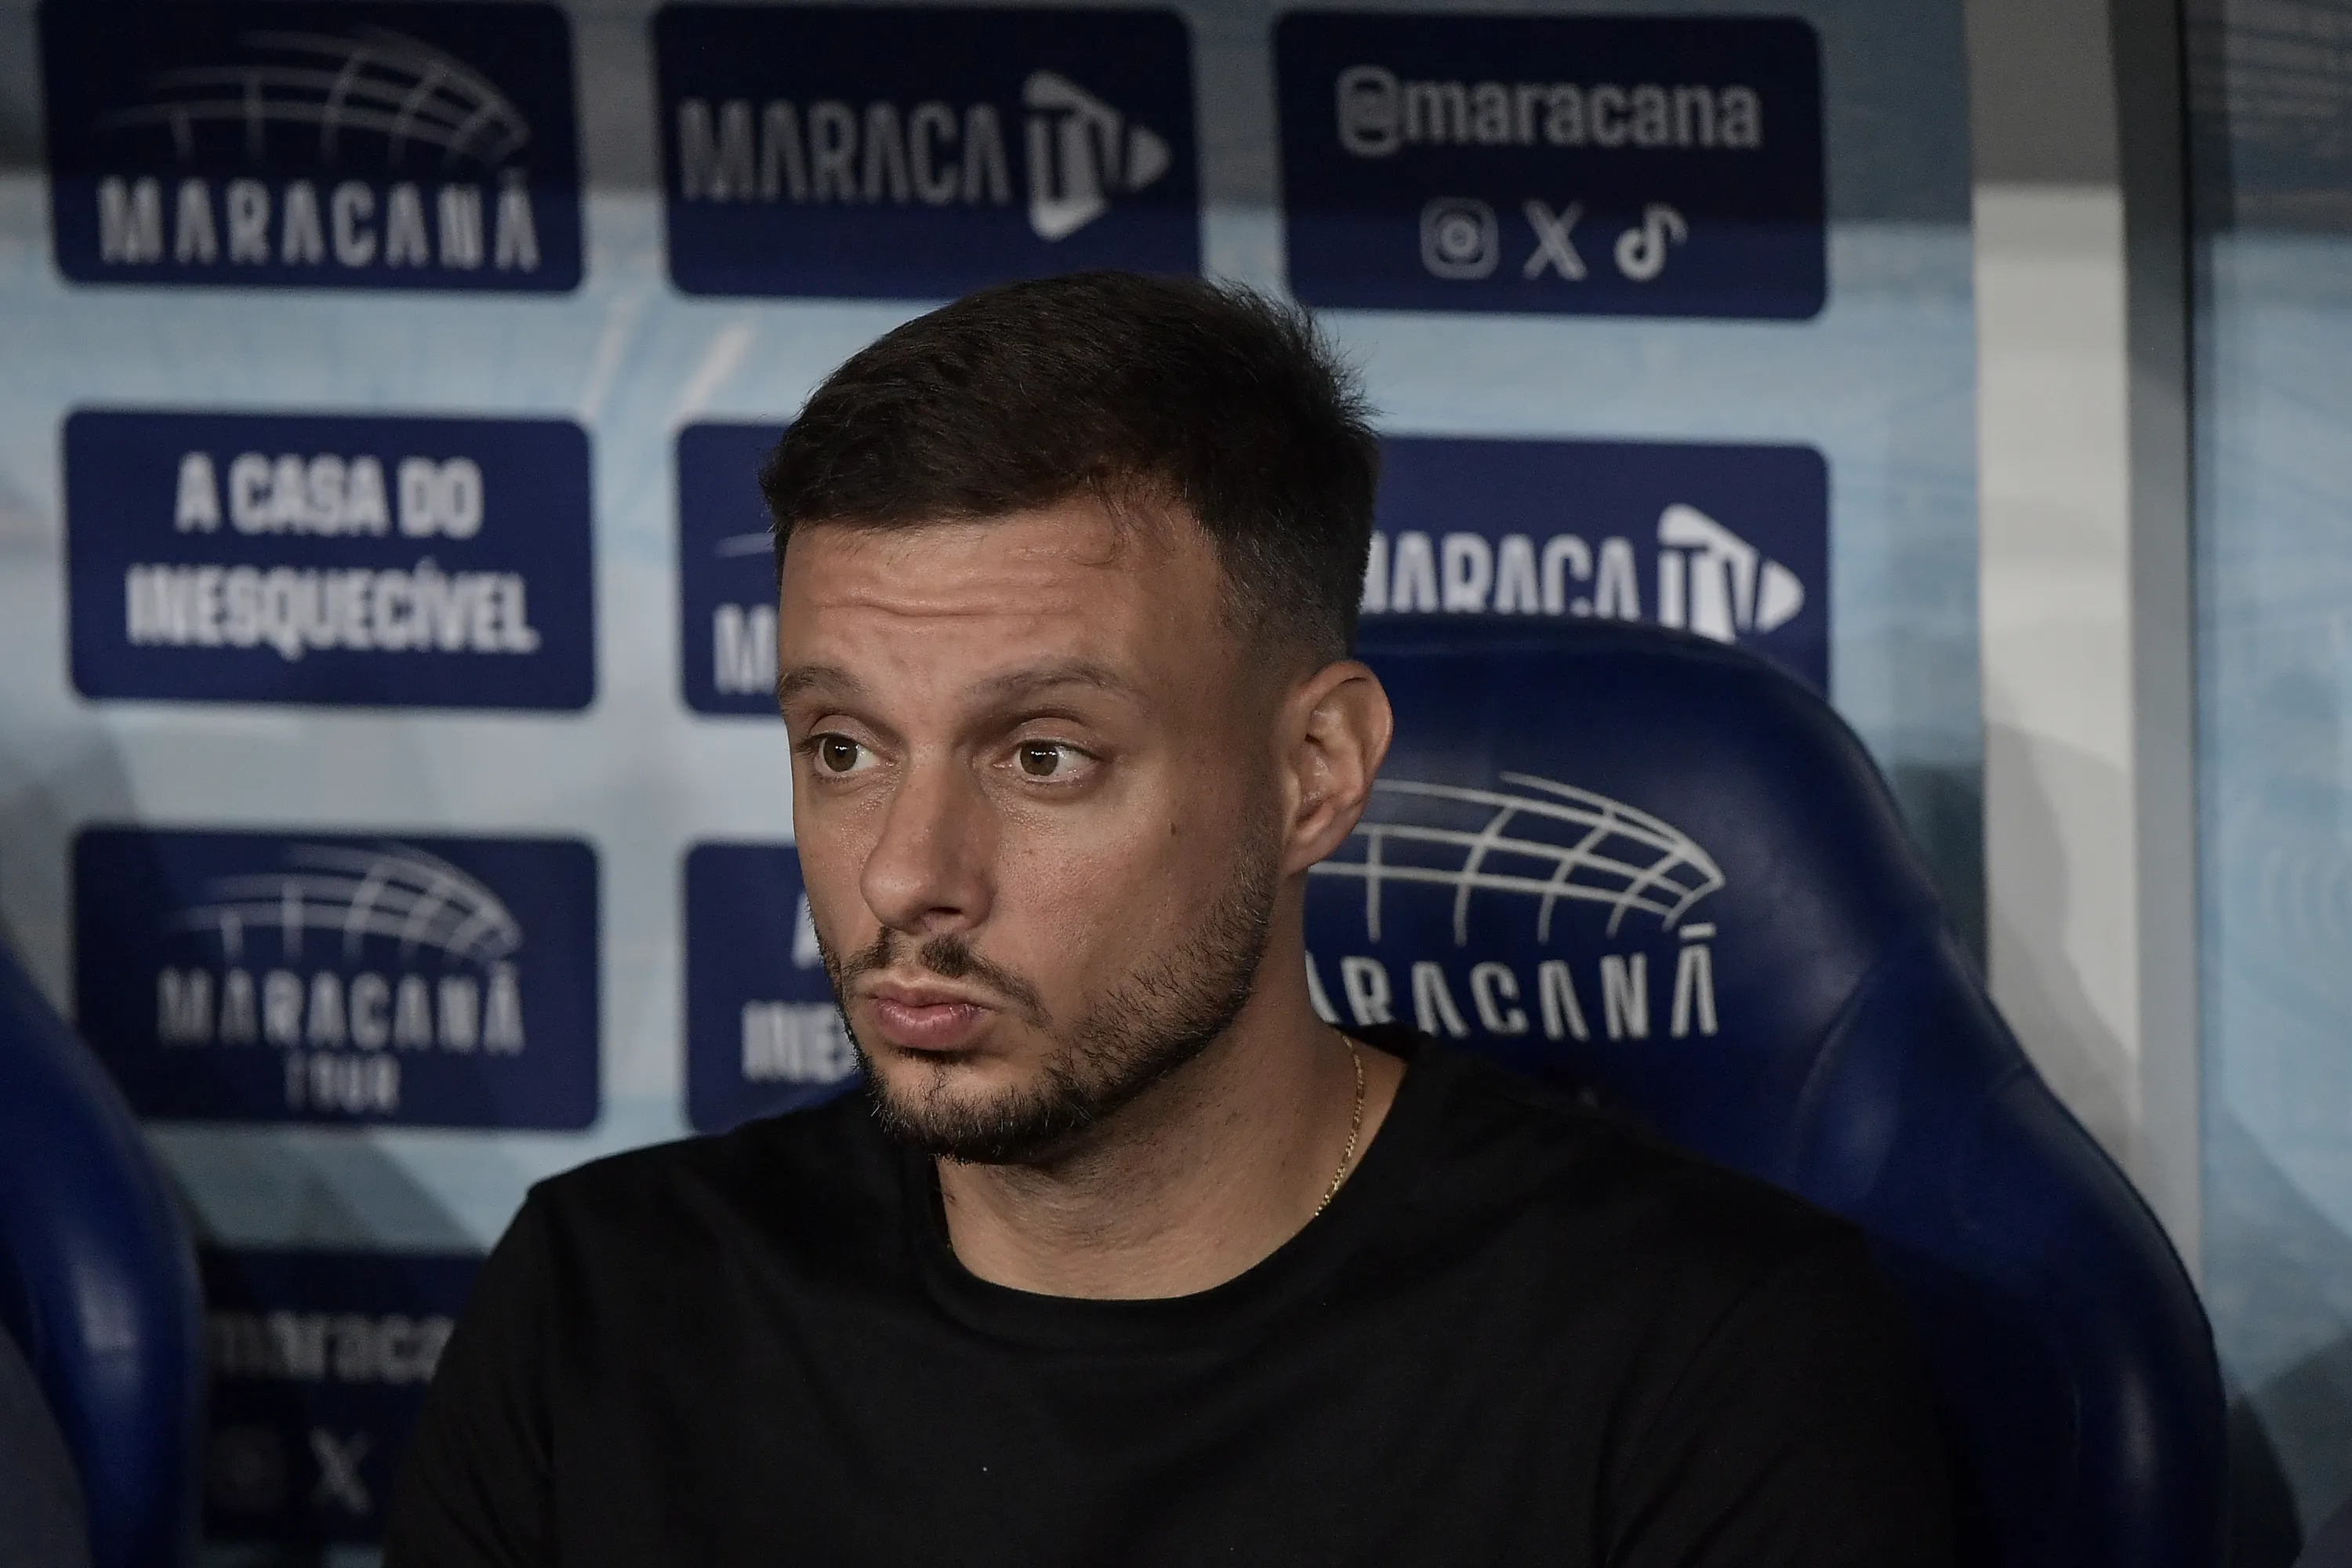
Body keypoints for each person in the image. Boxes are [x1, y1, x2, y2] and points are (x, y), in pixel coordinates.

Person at [386, 271, 1955, 1566]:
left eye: (1045, 755)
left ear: (1314, 771)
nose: (905, 874)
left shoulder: (1707, 1364)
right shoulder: (604, 1305)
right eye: (844, 749)